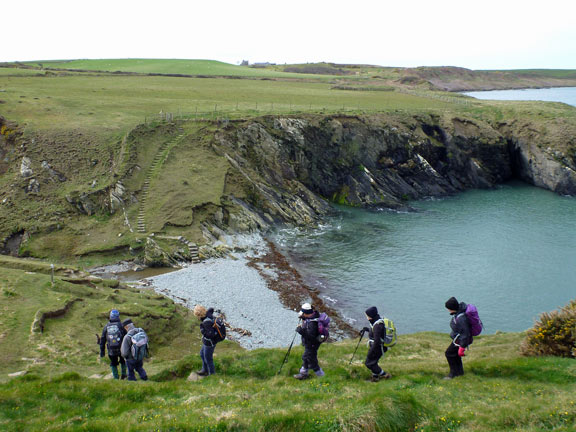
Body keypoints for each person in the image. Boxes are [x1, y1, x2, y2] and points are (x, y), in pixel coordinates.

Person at [293, 303, 325, 380]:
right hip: (312, 344)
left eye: (303, 313)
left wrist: (300, 331)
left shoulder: (312, 323)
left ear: (306, 313)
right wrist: (304, 319)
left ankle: (321, 376)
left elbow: (311, 337)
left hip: (312, 344)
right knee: (307, 358)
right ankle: (303, 374)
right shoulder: (312, 317)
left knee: (311, 360)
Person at [362, 306, 392, 382]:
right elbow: (377, 334)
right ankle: (375, 378)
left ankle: (384, 374)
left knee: (369, 363)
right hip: (379, 347)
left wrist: (371, 351)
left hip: (378, 347)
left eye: (367, 315)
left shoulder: (377, 325)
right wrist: (368, 330)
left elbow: (377, 341)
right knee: (373, 362)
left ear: (371, 316)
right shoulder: (377, 321)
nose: (367, 317)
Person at [444, 296, 471, 379]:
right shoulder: (459, 313)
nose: (447, 310)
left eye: (448, 308)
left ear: (452, 308)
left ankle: (453, 374)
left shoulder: (461, 318)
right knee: (455, 355)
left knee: (449, 353)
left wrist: (462, 347)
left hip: (460, 340)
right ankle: (460, 373)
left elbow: (465, 333)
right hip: (459, 340)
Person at [99, 309, 127, 380]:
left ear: (110, 316)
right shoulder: (121, 325)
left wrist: (102, 352)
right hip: (121, 348)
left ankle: (115, 378)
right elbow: (126, 337)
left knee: (113, 363)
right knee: (123, 361)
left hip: (111, 349)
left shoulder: (106, 327)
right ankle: (123, 375)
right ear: (118, 316)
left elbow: (102, 340)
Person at [194, 305, 221, 376]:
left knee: (208, 358)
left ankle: (212, 374)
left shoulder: (206, 322)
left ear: (199, 315)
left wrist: (202, 330)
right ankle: (204, 370)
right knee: (202, 354)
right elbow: (211, 309)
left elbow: (210, 335)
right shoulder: (208, 314)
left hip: (210, 343)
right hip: (208, 341)